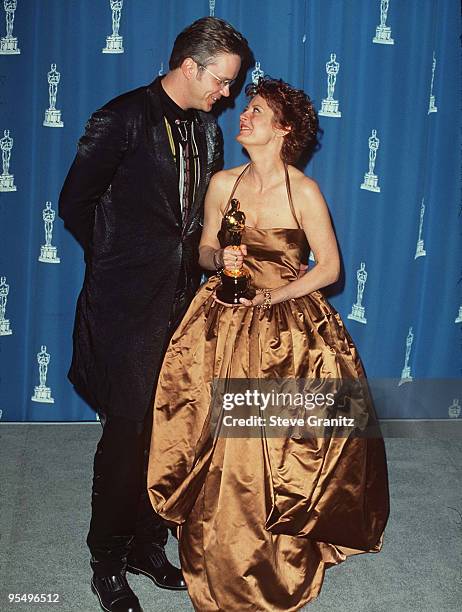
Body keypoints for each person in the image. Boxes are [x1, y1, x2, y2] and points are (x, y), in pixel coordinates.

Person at [147, 77, 390, 611]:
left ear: (283, 130)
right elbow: (205, 250)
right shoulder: (221, 184)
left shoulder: (302, 190)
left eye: (256, 111)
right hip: (221, 318)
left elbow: (329, 269)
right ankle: (220, 545)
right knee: (216, 439)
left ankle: (276, 549)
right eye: (245, 108)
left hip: (286, 323)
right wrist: (221, 261)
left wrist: (279, 292)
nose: (243, 116)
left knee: (278, 440)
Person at [58, 17, 251, 612]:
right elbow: (75, 204)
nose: (229, 95)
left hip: (182, 302)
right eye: (222, 82)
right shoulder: (120, 118)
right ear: (189, 67)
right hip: (125, 304)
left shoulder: (209, 132)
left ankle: (146, 542)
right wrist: (121, 259)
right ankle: (107, 557)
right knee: (126, 431)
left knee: (166, 428)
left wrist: (213, 258)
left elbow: (197, 223)